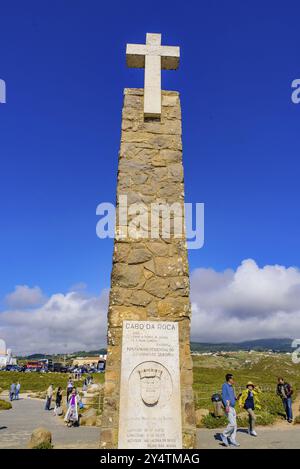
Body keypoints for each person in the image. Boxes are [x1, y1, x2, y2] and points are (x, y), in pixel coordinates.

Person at [220, 373, 240, 447]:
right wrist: (226, 406)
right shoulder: (225, 386)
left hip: (233, 407)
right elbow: (224, 396)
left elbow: (233, 398)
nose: (234, 380)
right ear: (229, 379)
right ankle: (224, 435)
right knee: (232, 424)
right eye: (233, 378)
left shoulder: (232, 387)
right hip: (228, 407)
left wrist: (238, 396)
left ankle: (232, 439)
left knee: (235, 426)